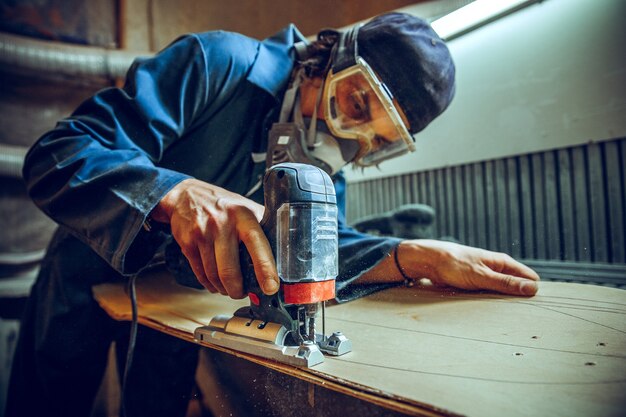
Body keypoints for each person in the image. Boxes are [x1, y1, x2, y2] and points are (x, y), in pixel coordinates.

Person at [6, 12, 539, 417]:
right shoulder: (217, 63)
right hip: (87, 268)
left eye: (378, 142)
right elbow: (62, 153)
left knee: (157, 403)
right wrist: (176, 194)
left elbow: (314, 253)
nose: (351, 140)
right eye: (356, 106)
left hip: (182, 297)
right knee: (52, 398)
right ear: (326, 57)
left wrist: (408, 256)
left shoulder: (324, 168)